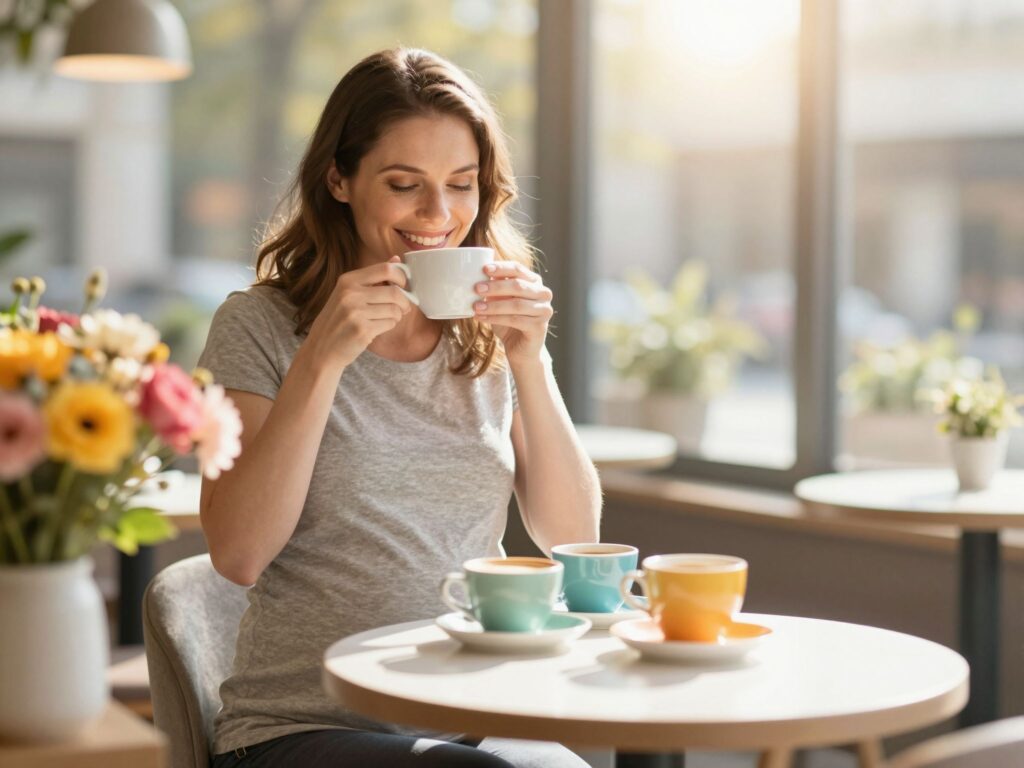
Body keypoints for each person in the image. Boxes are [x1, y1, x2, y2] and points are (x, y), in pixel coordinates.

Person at [198, 47, 602, 768]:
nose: (437, 215)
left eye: (460, 184)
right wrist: (322, 357)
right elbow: (238, 553)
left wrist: (530, 362)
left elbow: (573, 536)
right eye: (404, 184)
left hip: (475, 711)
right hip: (302, 724)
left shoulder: (487, 330)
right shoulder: (258, 325)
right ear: (340, 180)